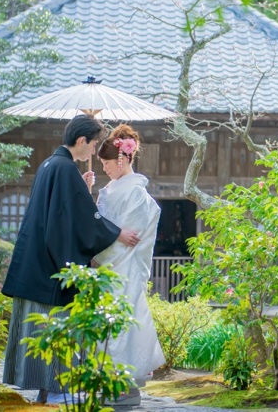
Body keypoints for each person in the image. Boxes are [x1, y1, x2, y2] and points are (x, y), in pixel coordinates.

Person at [1, 115, 141, 405]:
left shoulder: (50, 165)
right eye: (92, 146)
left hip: (34, 261)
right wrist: (116, 233)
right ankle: (54, 389)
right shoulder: (65, 169)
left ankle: (45, 389)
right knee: (56, 325)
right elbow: (79, 218)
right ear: (81, 141)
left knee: (38, 326)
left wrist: (81, 188)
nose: (93, 152)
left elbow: (62, 211)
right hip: (51, 267)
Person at [94, 124, 166, 406]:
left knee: (122, 326)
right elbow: (104, 228)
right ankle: (109, 382)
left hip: (123, 267)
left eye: (107, 163)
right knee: (108, 326)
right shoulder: (108, 190)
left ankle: (122, 384)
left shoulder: (136, 193)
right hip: (107, 267)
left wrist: (99, 248)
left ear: (121, 159)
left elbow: (131, 238)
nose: (105, 169)